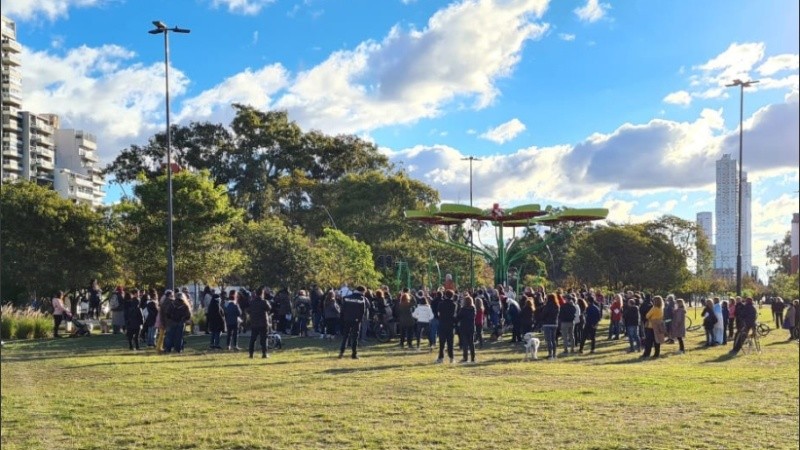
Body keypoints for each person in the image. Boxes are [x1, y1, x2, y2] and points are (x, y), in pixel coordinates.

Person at [339, 286, 368, 359]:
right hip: (356, 320)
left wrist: (342, 319)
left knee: (345, 336)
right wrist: (360, 320)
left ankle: (341, 352)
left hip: (347, 319)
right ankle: (354, 354)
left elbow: (342, 310)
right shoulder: (362, 299)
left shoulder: (346, 298)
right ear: (362, 291)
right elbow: (362, 311)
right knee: (355, 337)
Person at [435, 289, 459, 364]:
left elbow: (438, 313)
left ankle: (440, 358)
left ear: (445, 295)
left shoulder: (441, 303)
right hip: (450, 325)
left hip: (442, 324)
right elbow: (454, 315)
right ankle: (451, 358)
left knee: (442, 342)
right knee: (450, 342)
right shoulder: (454, 304)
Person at [248, 287, 272, 359]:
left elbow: (249, 311)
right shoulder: (264, 302)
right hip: (263, 322)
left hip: (254, 323)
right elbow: (269, 308)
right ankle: (264, 353)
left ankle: (251, 354)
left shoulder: (252, 302)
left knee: (253, 339)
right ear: (262, 294)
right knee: (264, 339)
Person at [457, 295, 477, 363]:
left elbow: (458, 317)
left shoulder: (463, 309)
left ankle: (465, 357)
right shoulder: (473, 309)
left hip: (464, 327)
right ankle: (473, 358)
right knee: (471, 343)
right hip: (471, 327)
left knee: (465, 343)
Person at [540, 293, 560, 360]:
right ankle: (554, 354)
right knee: (553, 340)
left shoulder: (547, 306)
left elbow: (543, 315)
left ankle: (550, 354)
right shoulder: (557, 306)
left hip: (547, 324)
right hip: (554, 323)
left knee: (549, 340)